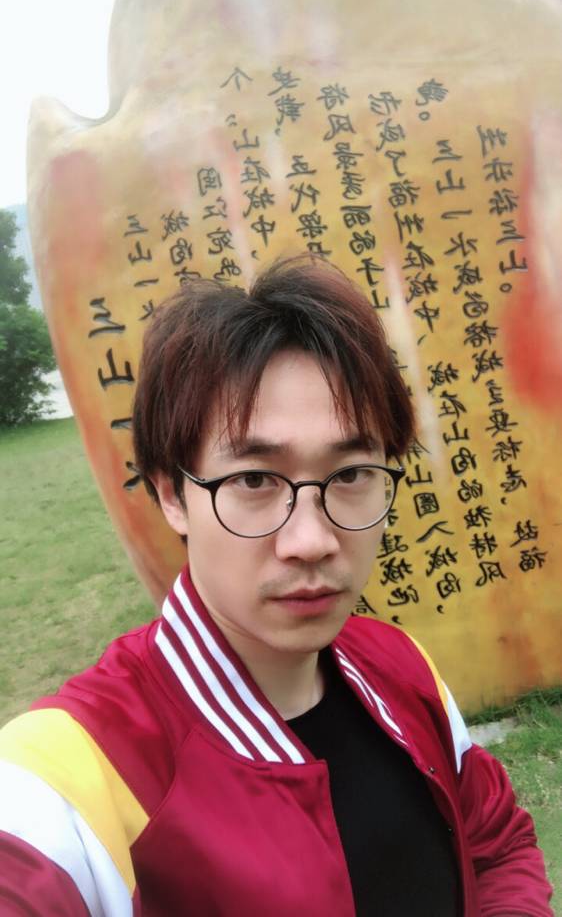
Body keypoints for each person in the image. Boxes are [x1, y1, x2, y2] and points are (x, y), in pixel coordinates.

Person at [0, 256, 553, 916]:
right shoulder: (76, 770)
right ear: (172, 493)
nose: (312, 540)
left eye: (351, 474)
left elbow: (494, 842)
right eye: (255, 481)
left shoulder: (400, 666)